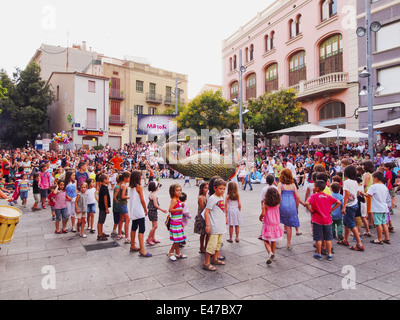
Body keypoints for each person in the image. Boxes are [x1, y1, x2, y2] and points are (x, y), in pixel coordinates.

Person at [305, 180, 341, 261]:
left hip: (317, 220)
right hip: (327, 220)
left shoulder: (314, 196)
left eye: (314, 186)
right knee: (328, 238)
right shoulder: (328, 196)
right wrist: (331, 210)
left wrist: (311, 211)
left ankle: (319, 253)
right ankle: (329, 254)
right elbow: (338, 202)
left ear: (317, 188)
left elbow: (307, 203)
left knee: (318, 238)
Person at [337, 165, 365, 251]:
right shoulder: (355, 181)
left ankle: (359, 244)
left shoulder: (347, 182)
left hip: (349, 205)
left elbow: (346, 195)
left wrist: (344, 206)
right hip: (354, 203)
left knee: (352, 224)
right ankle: (345, 240)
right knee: (346, 222)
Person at [203, 179, 227, 271]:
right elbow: (206, 211)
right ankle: (206, 262)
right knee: (212, 245)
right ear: (214, 188)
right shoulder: (213, 198)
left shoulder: (221, 197)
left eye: (224, 189)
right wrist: (208, 225)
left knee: (218, 244)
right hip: (214, 225)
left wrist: (225, 218)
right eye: (220, 188)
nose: (222, 191)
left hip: (220, 225)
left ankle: (214, 259)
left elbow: (222, 210)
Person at [277, 168, 304, 250]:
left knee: (278, 223)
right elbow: (298, 197)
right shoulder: (293, 185)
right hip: (291, 204)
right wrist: (296, 207)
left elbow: (278, 196)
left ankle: (276, 240)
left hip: (282, 205)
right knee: (289, 225)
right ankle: (288, 243)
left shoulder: (280, 184)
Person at [128, 170, 151, 257]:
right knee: (142, 229)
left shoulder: (131, 187)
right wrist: (145, 209)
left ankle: (132, 245)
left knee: (134, 227)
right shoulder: (139, 187)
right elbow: (142, 200)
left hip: (133, 211)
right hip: (139, 211)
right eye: (140, 175)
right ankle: (142, 250)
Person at [365, 171, 391, 245]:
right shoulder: (384, 186)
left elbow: (368, 195)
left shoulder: (374, 186)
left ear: (376, 178)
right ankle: (387, 238)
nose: (372, 179)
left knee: (378, 223)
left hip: (377, 207)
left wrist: (361, 193)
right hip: (384, 207)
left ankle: (379, 239)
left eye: (373, 178)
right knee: (384, 223)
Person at [259, 187, 283, 265]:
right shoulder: (278, 203)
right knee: (274, 240)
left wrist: (260, 216)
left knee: (265, 239)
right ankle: (274, 254)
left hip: (268, 224)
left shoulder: (265, 204)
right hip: (276, 224)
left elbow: (263, 214)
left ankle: (270, 253)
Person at [167, 184, 186, 261]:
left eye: (180, 190)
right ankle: (171, 252)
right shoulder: (174, 200)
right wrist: (179, 210)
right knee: (177, 239)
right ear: (173, 191)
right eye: (177, 190)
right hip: (175, 223)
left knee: (178, 239)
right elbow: (170, 210)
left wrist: (181, 205)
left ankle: (178, 252)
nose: (179, 192)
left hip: (178, 222)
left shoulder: (177, 199)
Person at [146, 181, 167, 246]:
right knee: (155, 226)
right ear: (155, 187)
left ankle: (153, 238)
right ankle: (148, 239)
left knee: (153, 226)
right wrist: (162, 210)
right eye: (158, 186)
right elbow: (155, 205)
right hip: (153, 211)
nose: (158, 187)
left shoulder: (151, 194)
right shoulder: (154, 195)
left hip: (151, 211)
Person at [194, 182, 209, 254]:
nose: (207, 189)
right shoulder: (201, 197)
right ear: (202, 189)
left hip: (208, 216)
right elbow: (203, 208)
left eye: (208, 188)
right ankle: (201, 246)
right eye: (205, 188)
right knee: (202, 233)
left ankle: (206, 247)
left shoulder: (209, 196)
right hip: (202, 217)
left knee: (208, 233)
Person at [117, 172, 131, 244]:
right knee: (127, 219)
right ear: (125, 178)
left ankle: (119, 234)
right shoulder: (124, 186)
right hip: (123, 204)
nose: (129, 179)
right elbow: (123, 196)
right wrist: (130, 197)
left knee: (121, 219)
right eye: (129, 177)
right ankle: (127, 237)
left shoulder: (121, 185)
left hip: (120, 204)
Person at [97, 174, 111, 241]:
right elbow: (105, 198)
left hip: (101, 206)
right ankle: (99, 235)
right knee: (100, 221)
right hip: (103, 207)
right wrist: (106, 208)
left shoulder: (102, 187)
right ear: (104, 180)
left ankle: (101, 232)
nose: (109, 180)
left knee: (102, 220)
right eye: (107, 179)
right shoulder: (104, 188)